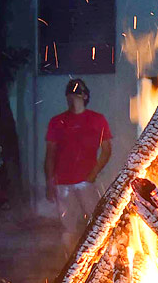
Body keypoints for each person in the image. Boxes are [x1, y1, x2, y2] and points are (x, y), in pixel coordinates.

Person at [46, 78, 112, 247]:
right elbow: (50, 154)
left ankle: (96, 258)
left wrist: (92, 174)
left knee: (96, 223)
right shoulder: (57, 121)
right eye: (70, 92)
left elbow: (106, 150)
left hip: (86, 182)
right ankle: (70, 264)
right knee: (68, 226)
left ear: (85, 95)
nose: (73, 96)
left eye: (77, 92)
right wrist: (50, 182)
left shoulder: (97, 119)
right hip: (63, 183)